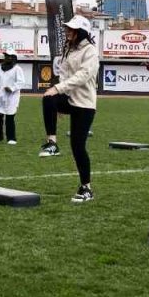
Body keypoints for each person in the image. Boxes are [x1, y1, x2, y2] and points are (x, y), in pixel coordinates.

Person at [41, 16, 100, 203]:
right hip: (70, 99)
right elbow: (65, 74)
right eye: (67, 29)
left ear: (80, 32)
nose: (67, 32)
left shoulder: (90, 51)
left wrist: (59, 89)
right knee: (48, 98)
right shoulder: (68, 49)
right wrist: (58, 101)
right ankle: (52, 144)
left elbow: (82, 76)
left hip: (85, 105)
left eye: (71, 29)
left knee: (78, 147)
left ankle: (86, 188)